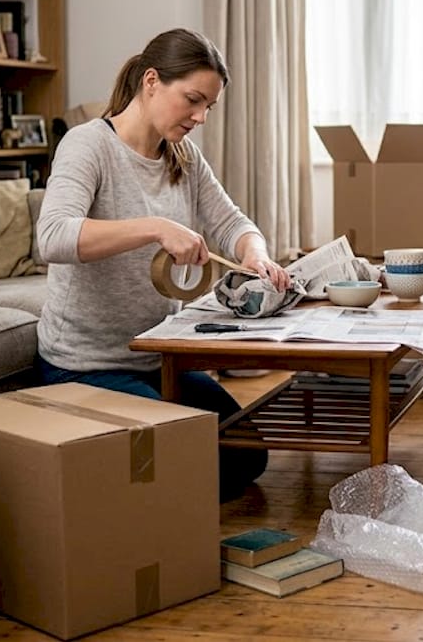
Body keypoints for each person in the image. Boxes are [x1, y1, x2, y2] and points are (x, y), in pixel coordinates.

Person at [35, 28, 291, 499]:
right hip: (85, 366)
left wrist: (255, 253)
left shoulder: (182, 155)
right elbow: (52, 237)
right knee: (182, 462)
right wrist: (154, 226)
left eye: (208, 107)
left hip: (157, 360)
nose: (200, 117)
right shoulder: (87, 144)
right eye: (193, 100)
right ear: (151, 81)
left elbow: (232, 221)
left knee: (247, 454)